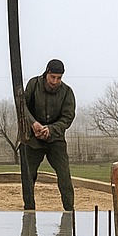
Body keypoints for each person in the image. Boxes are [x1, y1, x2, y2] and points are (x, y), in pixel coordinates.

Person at [21, 57, 76, 211]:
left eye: (59, 78)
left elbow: (67, 118)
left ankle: (69, 212)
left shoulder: (67, 92)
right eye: (53, 77)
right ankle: (29, 211)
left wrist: (51, 129)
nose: (55, 81)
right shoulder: (33, 84)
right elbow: (22, 107)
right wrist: (33, 124)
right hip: (32, 139)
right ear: (46, 73)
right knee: (28, 176)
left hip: (55, 139)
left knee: (64, 175)